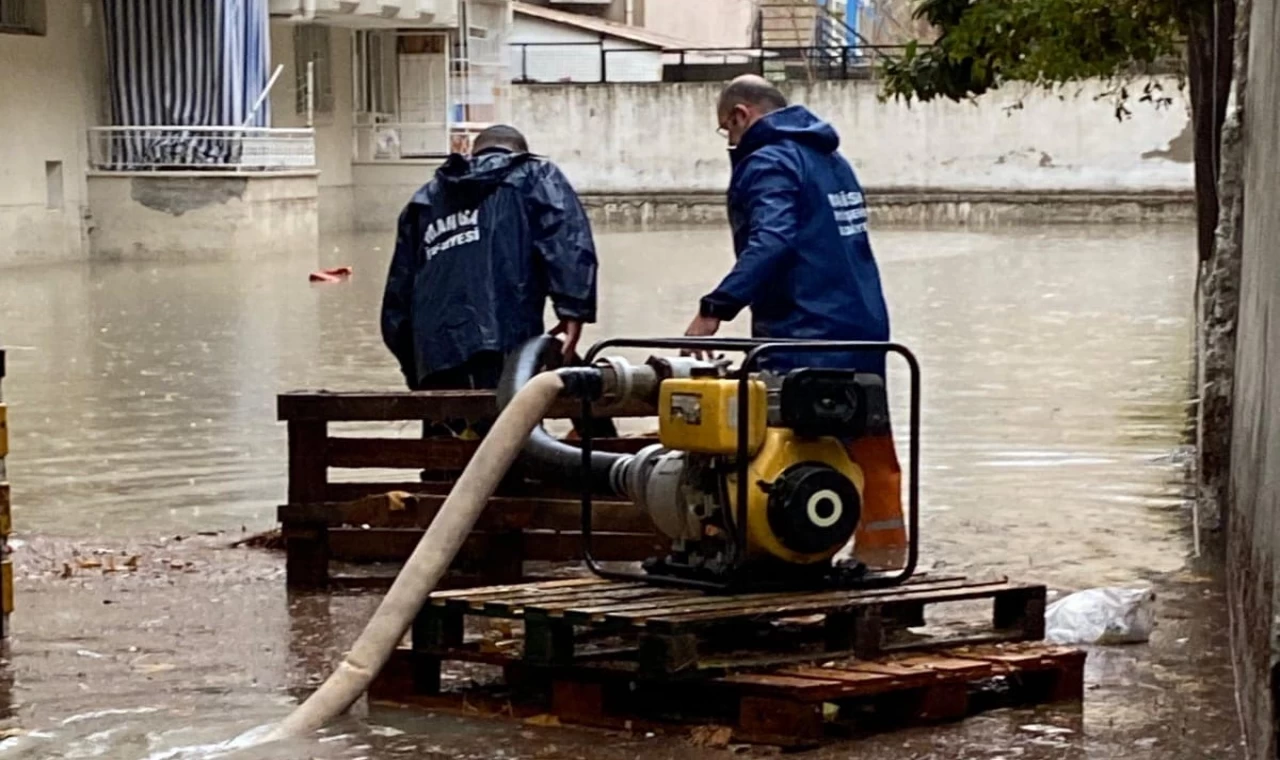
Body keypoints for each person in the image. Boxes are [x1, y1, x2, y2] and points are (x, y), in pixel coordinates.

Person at [684, 76, 907, 569]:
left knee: (791, 452)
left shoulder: (769, 161)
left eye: (727, 130)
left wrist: (715, 307)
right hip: (864, 328)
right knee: (867, 441)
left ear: (742, 115)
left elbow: (773, 241)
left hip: (804, 332)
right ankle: (885, 560)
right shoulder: (832, 161)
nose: (729, 142)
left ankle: (788, 561)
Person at [380, 125, 599, 440]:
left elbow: (397, 302)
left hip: (436, 359)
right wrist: (573, 310)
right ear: (519, 151)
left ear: (474, 152)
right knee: (510, 450)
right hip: (505, 345)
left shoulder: (425, 200)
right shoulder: (535, 176)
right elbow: (566, 238)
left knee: (446, 460)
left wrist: (416, 368)